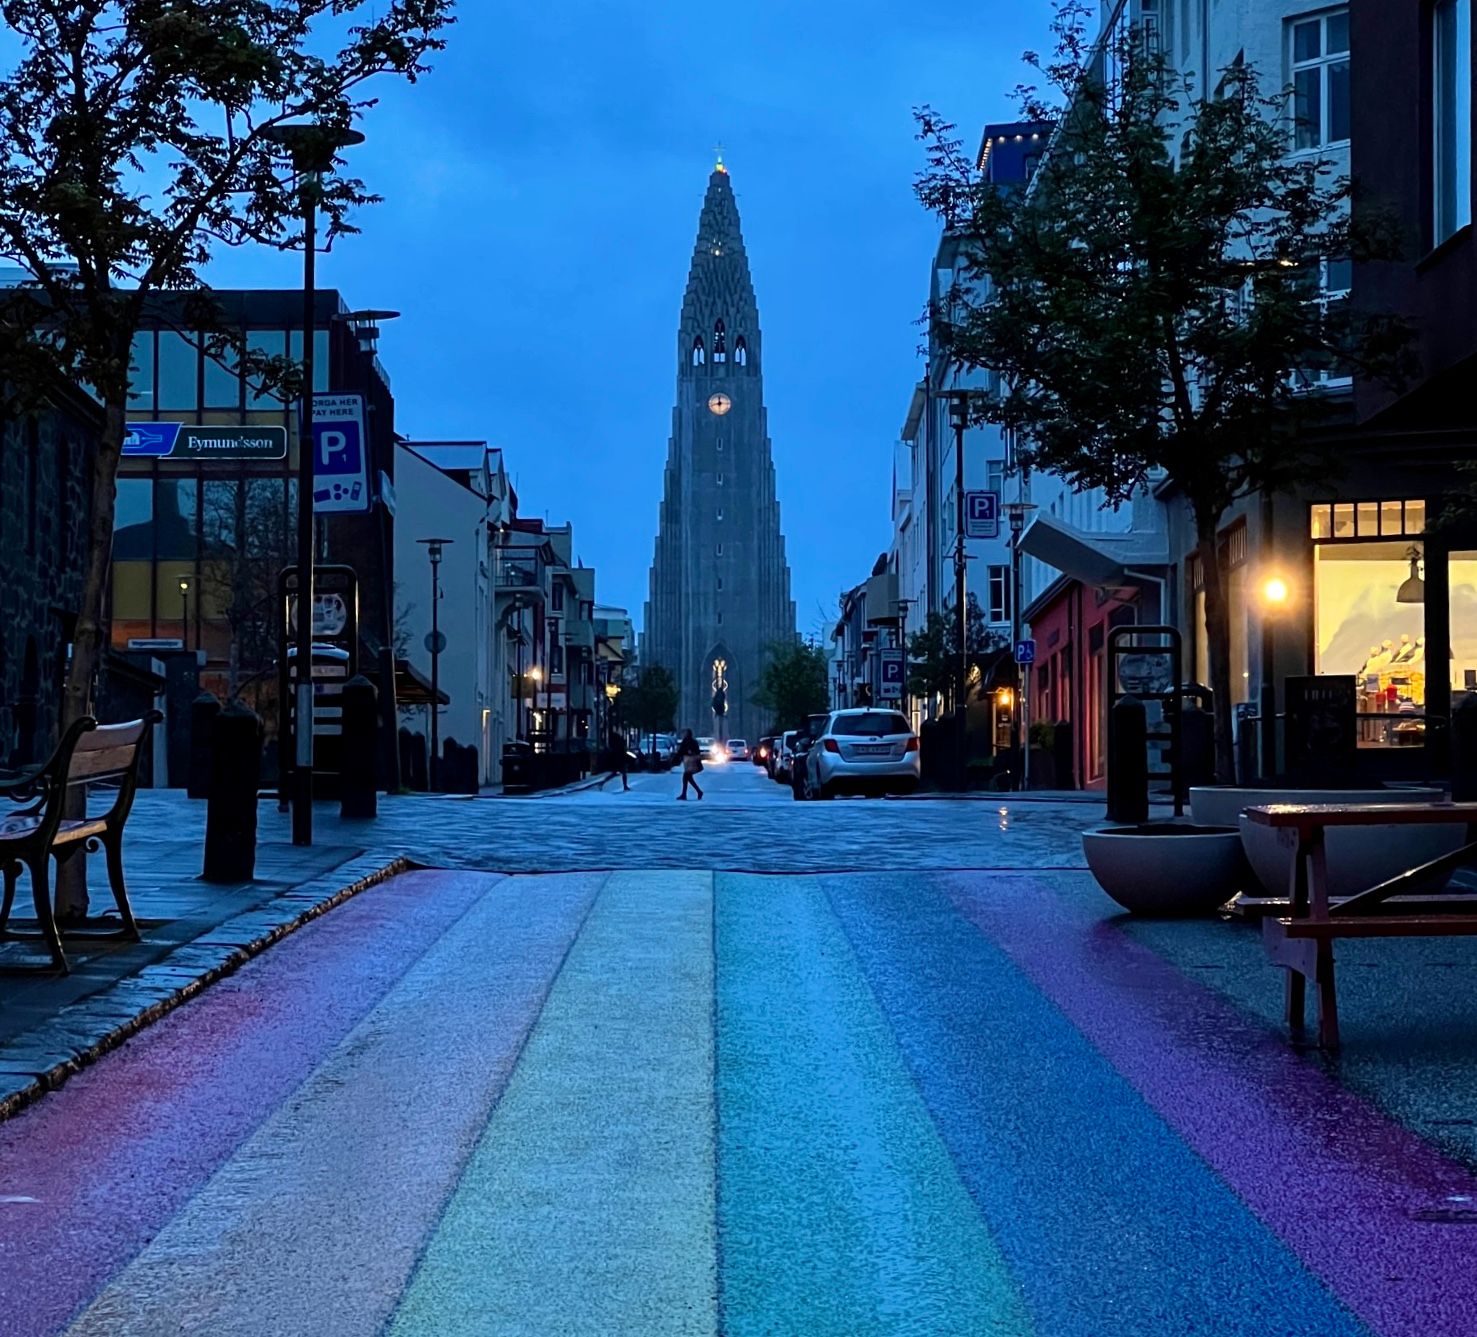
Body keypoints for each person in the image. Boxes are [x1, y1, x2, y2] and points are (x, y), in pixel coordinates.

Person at [676, 729, 704, 800]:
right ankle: (698, 791)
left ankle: (685, 794)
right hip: (689, 762)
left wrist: (689, 752)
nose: (684, 734)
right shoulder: (690, 741)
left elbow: (681, 751)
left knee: (686, 776)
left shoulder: (688, 742)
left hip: (692, 762)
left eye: (685, 733)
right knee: (688, 777)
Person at [607, 725, 629, 792]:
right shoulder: (619, 744)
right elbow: (622, 752)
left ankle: (625, 786)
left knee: (616, 773)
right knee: (622, 773)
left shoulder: (616, 745)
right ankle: (625, 786)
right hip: (620, 760)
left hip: (618, 760)